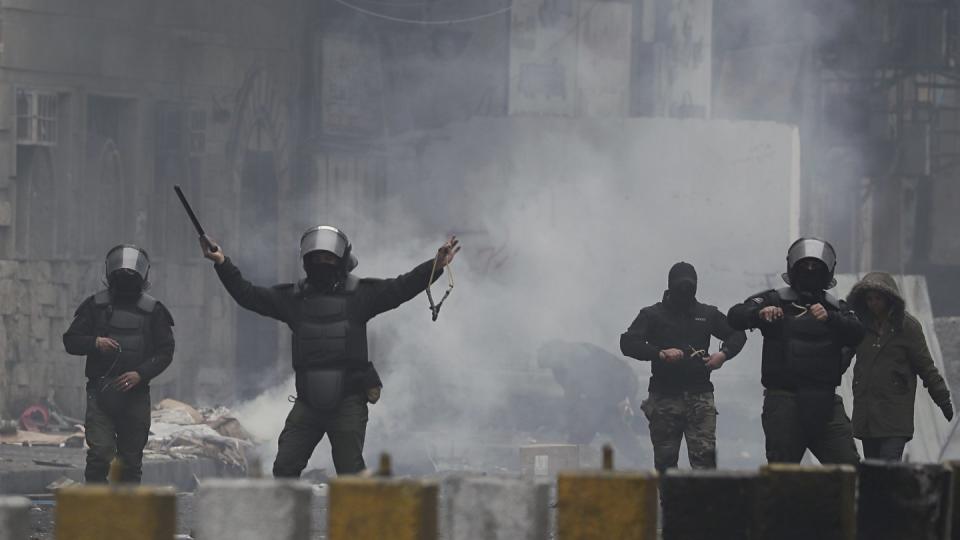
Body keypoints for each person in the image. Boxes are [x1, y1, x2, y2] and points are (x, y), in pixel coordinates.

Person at [201, 226, 459, 476]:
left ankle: (357, 521)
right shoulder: (293, 299)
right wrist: (222, 262)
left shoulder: (362, 296)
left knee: (351, 476)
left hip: (348, 402)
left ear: (341, 261)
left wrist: (435, 266)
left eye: (328, 257)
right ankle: (287, 520)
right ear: (306, 261)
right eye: (315, 257)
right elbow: (248, 295)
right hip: (308, 404)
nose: (321, 262)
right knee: (284, 468)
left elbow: (402, 287)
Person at [728, 238, 864, 465]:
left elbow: (858, 333)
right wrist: (759, 314)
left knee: (850, 472)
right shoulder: (773, 300)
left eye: (815, 267)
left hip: (826, 401)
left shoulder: (836, 307)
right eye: (805, 266)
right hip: (784, 400)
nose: (810, 271)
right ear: (793, 268)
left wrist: (831, 319)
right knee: (782, 476)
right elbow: (736, 315)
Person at [63, 245, 175, 483]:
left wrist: (140, 374)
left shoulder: (153, 311)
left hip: (135, 395)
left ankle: (128, 516)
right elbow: (71, 341)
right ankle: (94, 511)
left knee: (131, 462)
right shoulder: (95, 306)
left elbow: (165, 351)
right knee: (100, 454)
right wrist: (95, 342)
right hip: (101, 392)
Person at [619, 262, 746, 471]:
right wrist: (659, 353)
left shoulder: (707, 314)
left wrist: (723, 354)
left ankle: (703, 504)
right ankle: (671, 504)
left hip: (700, 397)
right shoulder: (653, 315)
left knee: (705, 465)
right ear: (670, 287)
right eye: (681, 287)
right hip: (664, 398)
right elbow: (628, 342)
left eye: (689, 287)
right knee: (666, 465)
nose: (685, 292)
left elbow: (737, 332)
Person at [847, 271, 953, 461]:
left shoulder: (908, 328)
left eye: (878, 298)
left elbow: (926, 367)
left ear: (889, 298)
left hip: (894, 414)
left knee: (889, 467)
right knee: (873, 471)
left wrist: (943, 400)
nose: (873, 303)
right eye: (869, 299)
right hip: (867, 414)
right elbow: (842, 357)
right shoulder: (859, 326)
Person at [537, 339, 645, 466]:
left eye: (550, 363)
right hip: (602, 392)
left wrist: (569, 422)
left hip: (619, 383)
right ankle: (640, 458)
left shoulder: (577, 356)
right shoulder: (560, 369)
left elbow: (581, 393)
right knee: (605, 422)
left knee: (597, 418)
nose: (551, 367)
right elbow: (572, 396)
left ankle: (573, 453)